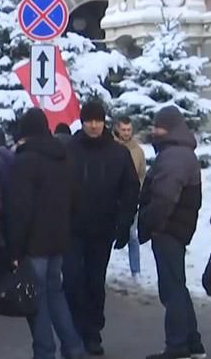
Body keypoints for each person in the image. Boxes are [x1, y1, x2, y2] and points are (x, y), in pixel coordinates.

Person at [7, 108, 86, 359]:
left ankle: (44, 352)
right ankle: (73, 347)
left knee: (36, 301)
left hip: (33, 243)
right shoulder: (64, 158)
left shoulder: (24, 161)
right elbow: (75, 200)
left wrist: (15, 249)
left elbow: (19, 209)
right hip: (58, 239)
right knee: (55, 294)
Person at [64, 102, 140, 356]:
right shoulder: (69, 150)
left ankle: (93, 331)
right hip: (71, 229)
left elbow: (130, 190)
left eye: (98, 120)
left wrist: (124, 223)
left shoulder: (118, 153)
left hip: (102, 229)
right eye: (89, 120)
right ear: (82, 122)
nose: (94, 125)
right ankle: (74, 330)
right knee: (73, 280)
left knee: (95, 282)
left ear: (104, 122)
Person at [138, 106, 205, 359]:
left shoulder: (173, 156)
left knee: (172, 289)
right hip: (176, 228)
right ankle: (192, 341)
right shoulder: (180, 153)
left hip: (168, 229)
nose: (154, 131)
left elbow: (164, 198)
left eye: (158, 127)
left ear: (170, 128)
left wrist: (149, 222)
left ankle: (177, 345)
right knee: (178, 285)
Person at [114, 116, 147, 278]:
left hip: (131, 199)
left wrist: (137, 192)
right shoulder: (111, 147)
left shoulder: (138, 151)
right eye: (123, 130)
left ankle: (136, 270)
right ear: (117, 129)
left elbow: (142, 174)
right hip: (111, 198)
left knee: (132, 235)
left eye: (129, 130)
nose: (126, 133)